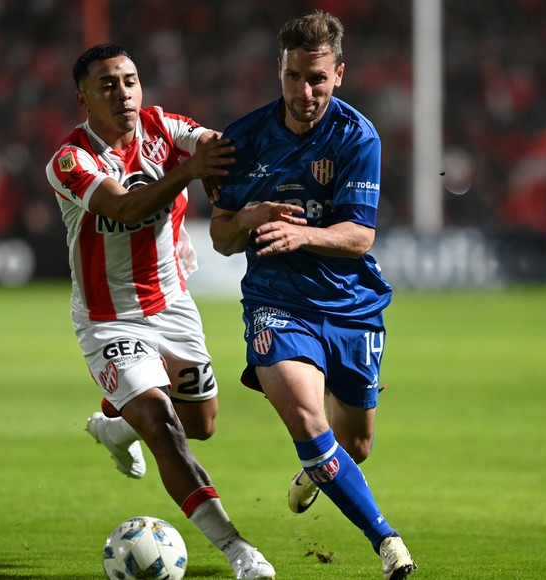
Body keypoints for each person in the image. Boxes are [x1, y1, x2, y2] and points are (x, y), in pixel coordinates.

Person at [45, 43, 275, 580]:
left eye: (130, 81)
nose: (123, 93)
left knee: (201, 424)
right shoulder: (69, 161)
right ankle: (239, 550)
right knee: (164, 426)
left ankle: (115, 426)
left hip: (172, 305)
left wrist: (216, 160)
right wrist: (191, 171)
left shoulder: (162, 126)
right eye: (107, 84)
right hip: (109, 318)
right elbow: (124, 207)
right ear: (83, 99)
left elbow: (213, 144)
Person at [208, 11, 416, 580]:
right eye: (293, 76)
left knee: (355, 447)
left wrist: (303, 235)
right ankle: (387, 542)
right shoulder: (244, 139)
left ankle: (319, 467)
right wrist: (247, 217)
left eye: (317, 79)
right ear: (279, 70)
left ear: (339, 74)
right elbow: (222, 237)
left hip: (350, 305)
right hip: (276, 302)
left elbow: (360, 237)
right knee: (306, 417)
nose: (304, 92)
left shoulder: (357, 136)